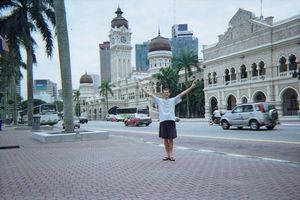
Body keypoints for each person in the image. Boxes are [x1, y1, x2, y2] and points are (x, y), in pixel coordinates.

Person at [142, 80, 196, 161]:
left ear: (169, 93)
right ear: (163, 93)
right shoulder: (159, 100)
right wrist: (142, 87)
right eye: (165, 92)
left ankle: (171, 154)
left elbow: (182, 93)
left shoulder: (173, 100)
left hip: (171, 121)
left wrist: (191, 87)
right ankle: (167, 155)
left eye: (167, 92)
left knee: (171, 139)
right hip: (163, 122)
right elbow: (150, 94)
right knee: (165, 139)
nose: (166, 94)